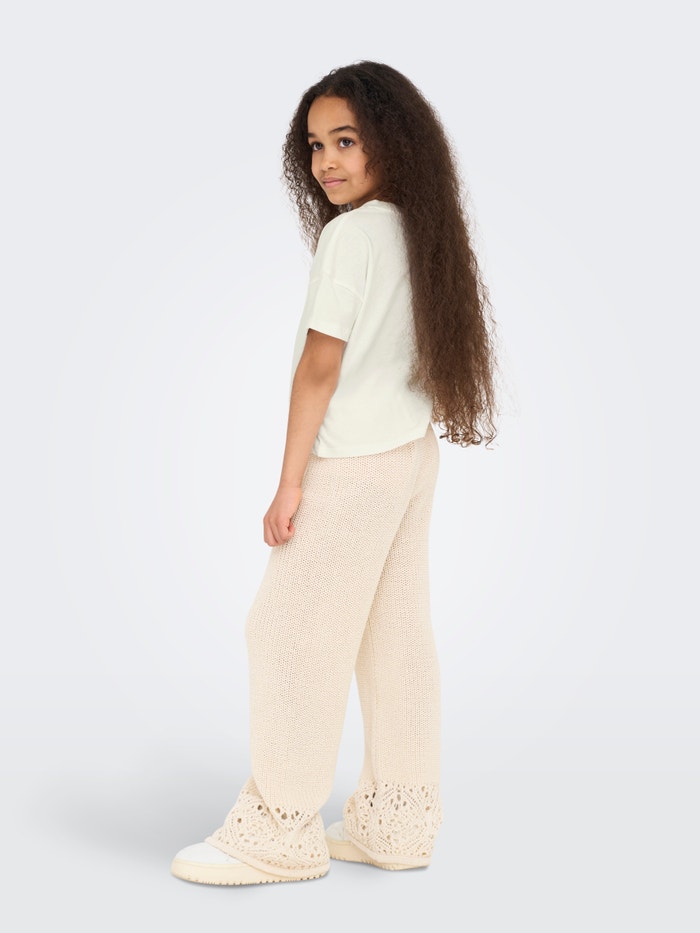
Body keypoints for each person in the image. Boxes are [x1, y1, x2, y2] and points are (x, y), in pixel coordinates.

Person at [171, 60, 499, 886]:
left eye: (346, 140)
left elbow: (321, 367)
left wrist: (290, 483)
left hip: (352, 463)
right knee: (394, 637)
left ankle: (279, 830)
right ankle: (398, 819)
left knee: (286, 630)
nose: (327, 162)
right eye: (316, 145)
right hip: (410, 456)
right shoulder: (422, 231)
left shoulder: (352, 236)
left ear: (393, 140)